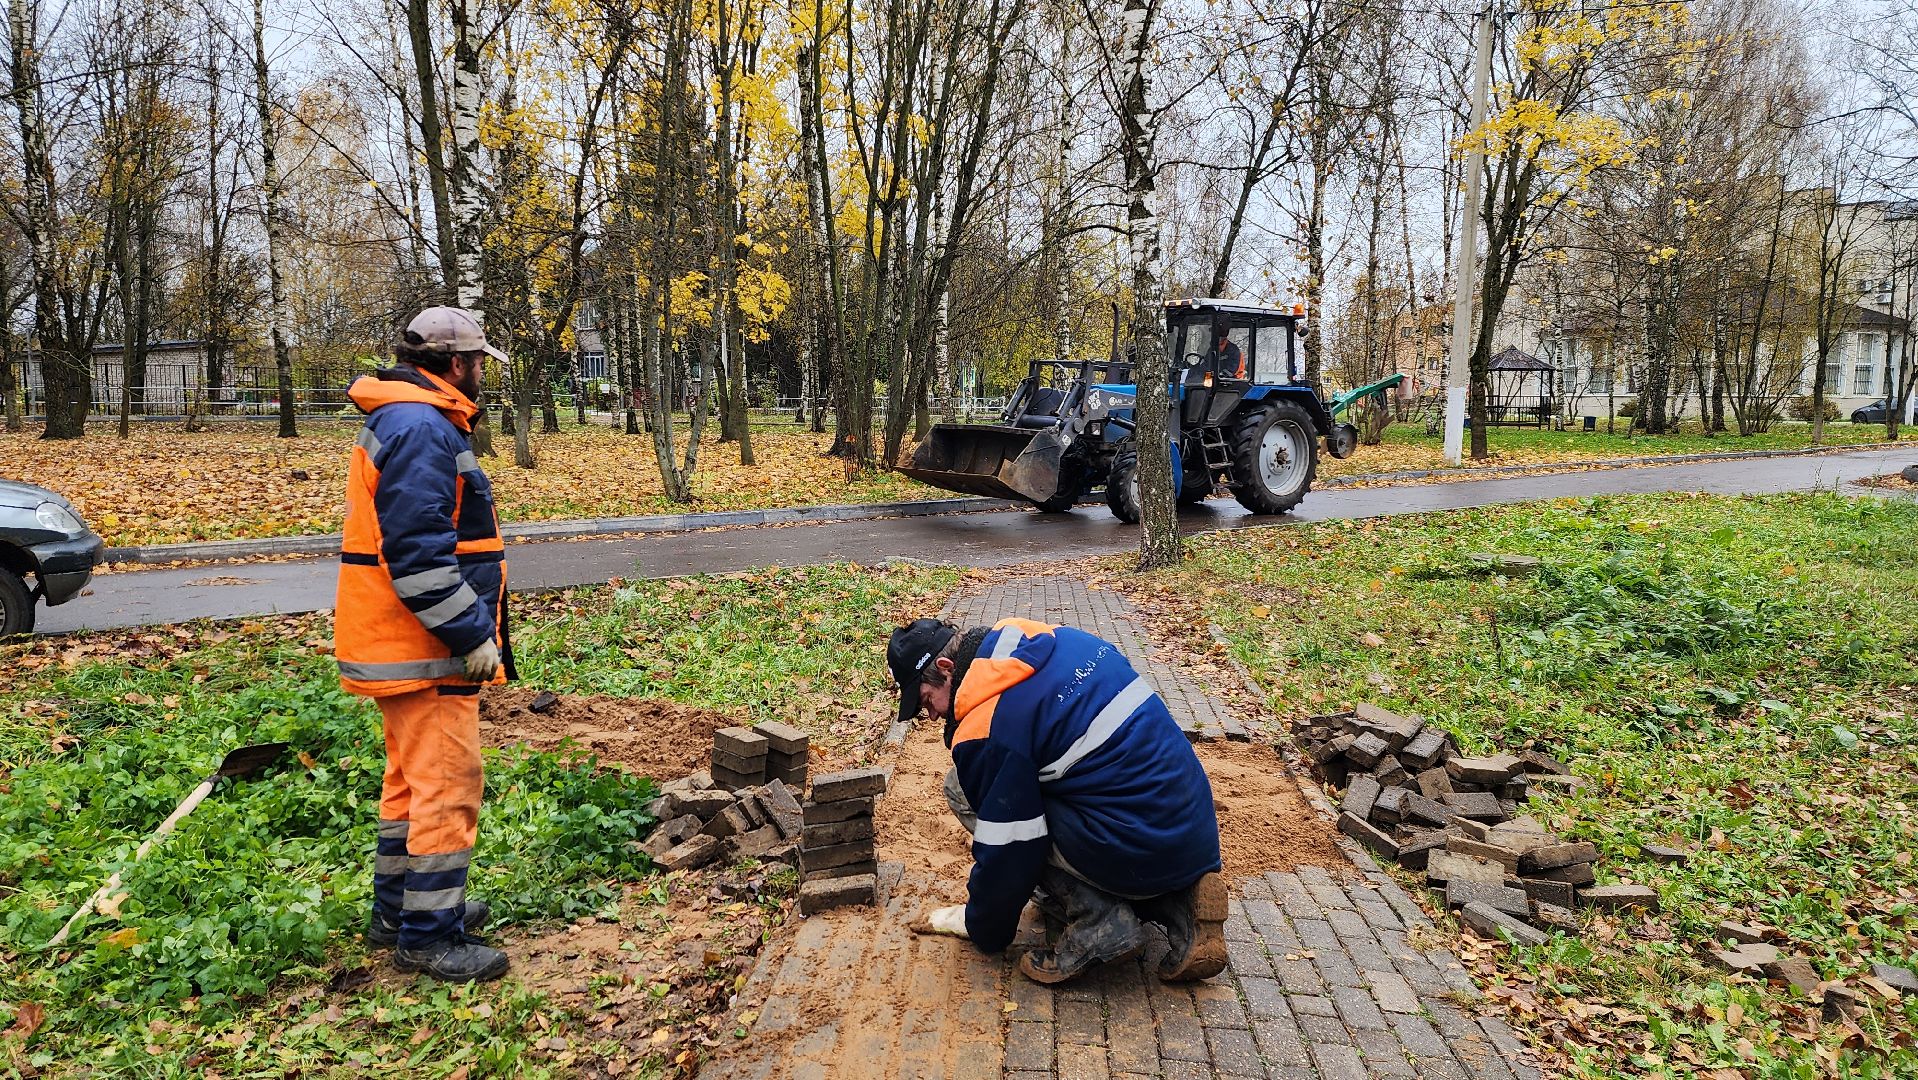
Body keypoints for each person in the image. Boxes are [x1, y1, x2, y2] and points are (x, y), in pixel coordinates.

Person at [890, 617, 1227, 985]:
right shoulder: (1064, 640)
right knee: (1062, 784)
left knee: (966, 791)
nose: (933, 714)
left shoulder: (989, 728)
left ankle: (1099, 921)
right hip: (1192, 829)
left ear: (946, 668)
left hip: (1138, 840)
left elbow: (1011, 850)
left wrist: (984, 928)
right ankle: (1180, 903)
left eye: (926, 700)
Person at [335, 306, 513, 983]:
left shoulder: (409, 418)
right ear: (454, 362)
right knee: (446, 785)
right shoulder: (421, 428)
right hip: (424, 644)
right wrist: (473, 634)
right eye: (476, 361)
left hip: (398, 643)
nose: (480, 374)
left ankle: (399, 913)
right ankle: (430, 935)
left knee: (409, 787)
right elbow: (418, 557)